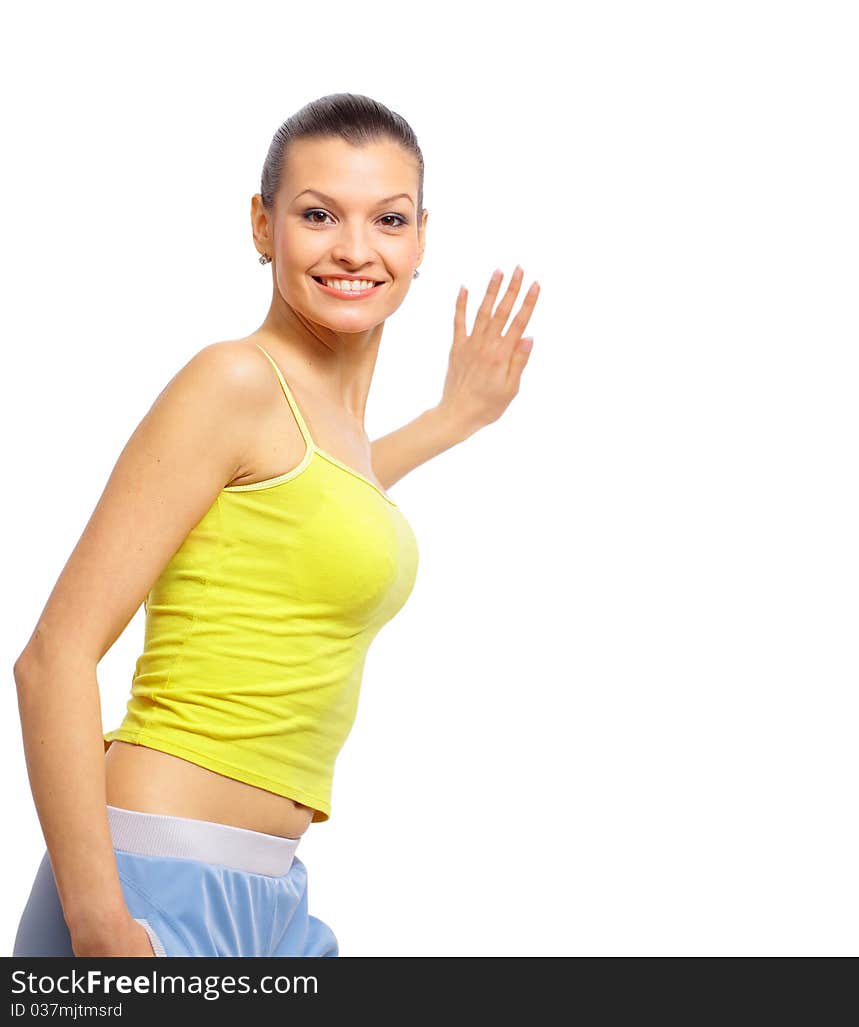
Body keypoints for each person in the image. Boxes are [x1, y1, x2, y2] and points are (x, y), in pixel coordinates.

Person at [12, 92, 540, 958]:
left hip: (273, 895)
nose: (356, 249)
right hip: (152, 881)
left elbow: (328, 503)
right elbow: (51, 659)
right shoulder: (234, 382)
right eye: (319, 214)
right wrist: (100, 921)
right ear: (263, 226)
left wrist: (455, 418)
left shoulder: (323, 430)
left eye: (389, 219)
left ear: (420, 240)